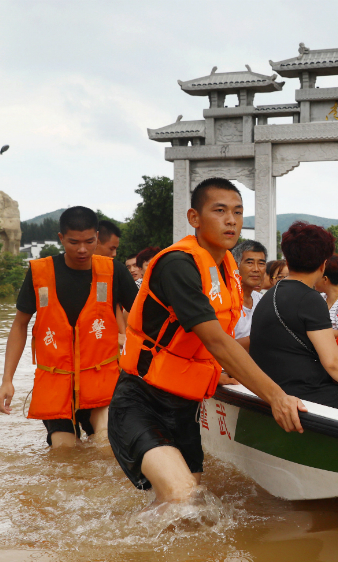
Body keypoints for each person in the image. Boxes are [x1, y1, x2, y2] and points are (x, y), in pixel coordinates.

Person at [108, 177, 305, 506]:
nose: (231, 220)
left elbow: (218, 342)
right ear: (194, 218)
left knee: (185, 507)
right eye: (220, 210)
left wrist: (220, 373)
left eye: (238, 212)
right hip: (141, 403)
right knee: (181, 496)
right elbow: (215, 340)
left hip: (185, 410)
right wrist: (276, 396)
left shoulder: (227, 265)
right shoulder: (178, 265)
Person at [0, 206, 139, 447]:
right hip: (56, 382)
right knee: (64, 450)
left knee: (106, 443)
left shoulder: (115, 272)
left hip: (100, 378)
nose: (82, 249)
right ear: (61, 238)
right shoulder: (39, 273)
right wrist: (7, 379)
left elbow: (144, 319)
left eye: (89, 241)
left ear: (96, 236)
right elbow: (20, 325)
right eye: (73, 242)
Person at [249, 221, 338, 422]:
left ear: (287, 259)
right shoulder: (310, 298)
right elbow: (333, 362)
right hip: (302, 390)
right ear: (323, 264)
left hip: (274, 384)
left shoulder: (270, 295)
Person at [94, 220, 132, 350]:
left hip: (107, 351)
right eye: (112, 248)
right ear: (96, 240)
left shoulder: (115, 270)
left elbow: (136, 308)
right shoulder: (116, 268)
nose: (114, 254)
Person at [232, 239, 267, 344]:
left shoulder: (261, 300)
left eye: (261, 263)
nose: (256, 269)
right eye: (250, 263)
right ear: (235, 265)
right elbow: (219, 347)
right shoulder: (225, 300)